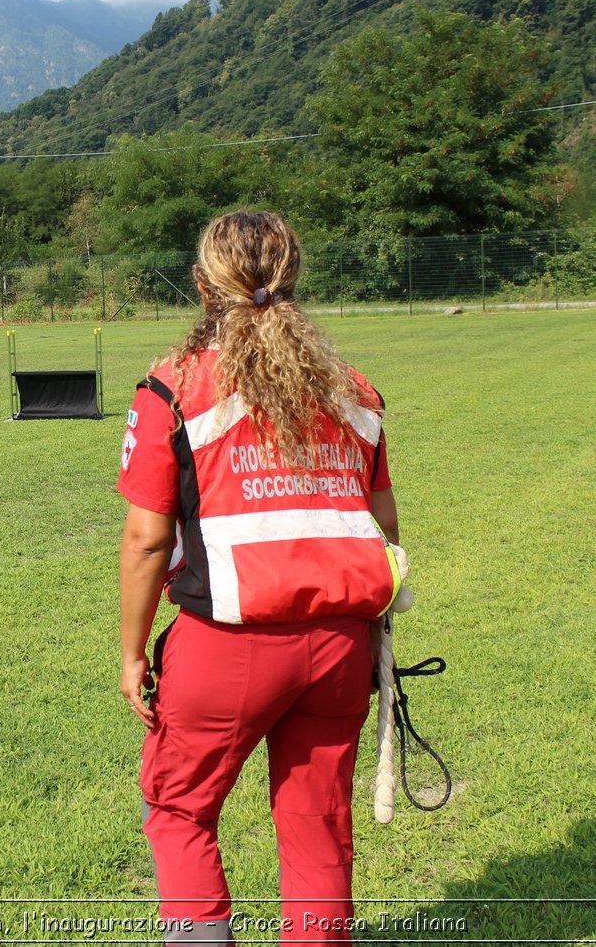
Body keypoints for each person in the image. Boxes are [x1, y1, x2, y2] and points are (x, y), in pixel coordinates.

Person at [117, 210, 403, 945]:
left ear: (202, 284)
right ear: (293, 279)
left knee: (179, 809)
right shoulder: (357, 390)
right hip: (341, 642)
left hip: (228, 641)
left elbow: (149, 540)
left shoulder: (175, 382)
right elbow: (384, 527)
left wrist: (130, 651)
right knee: (317, 830)